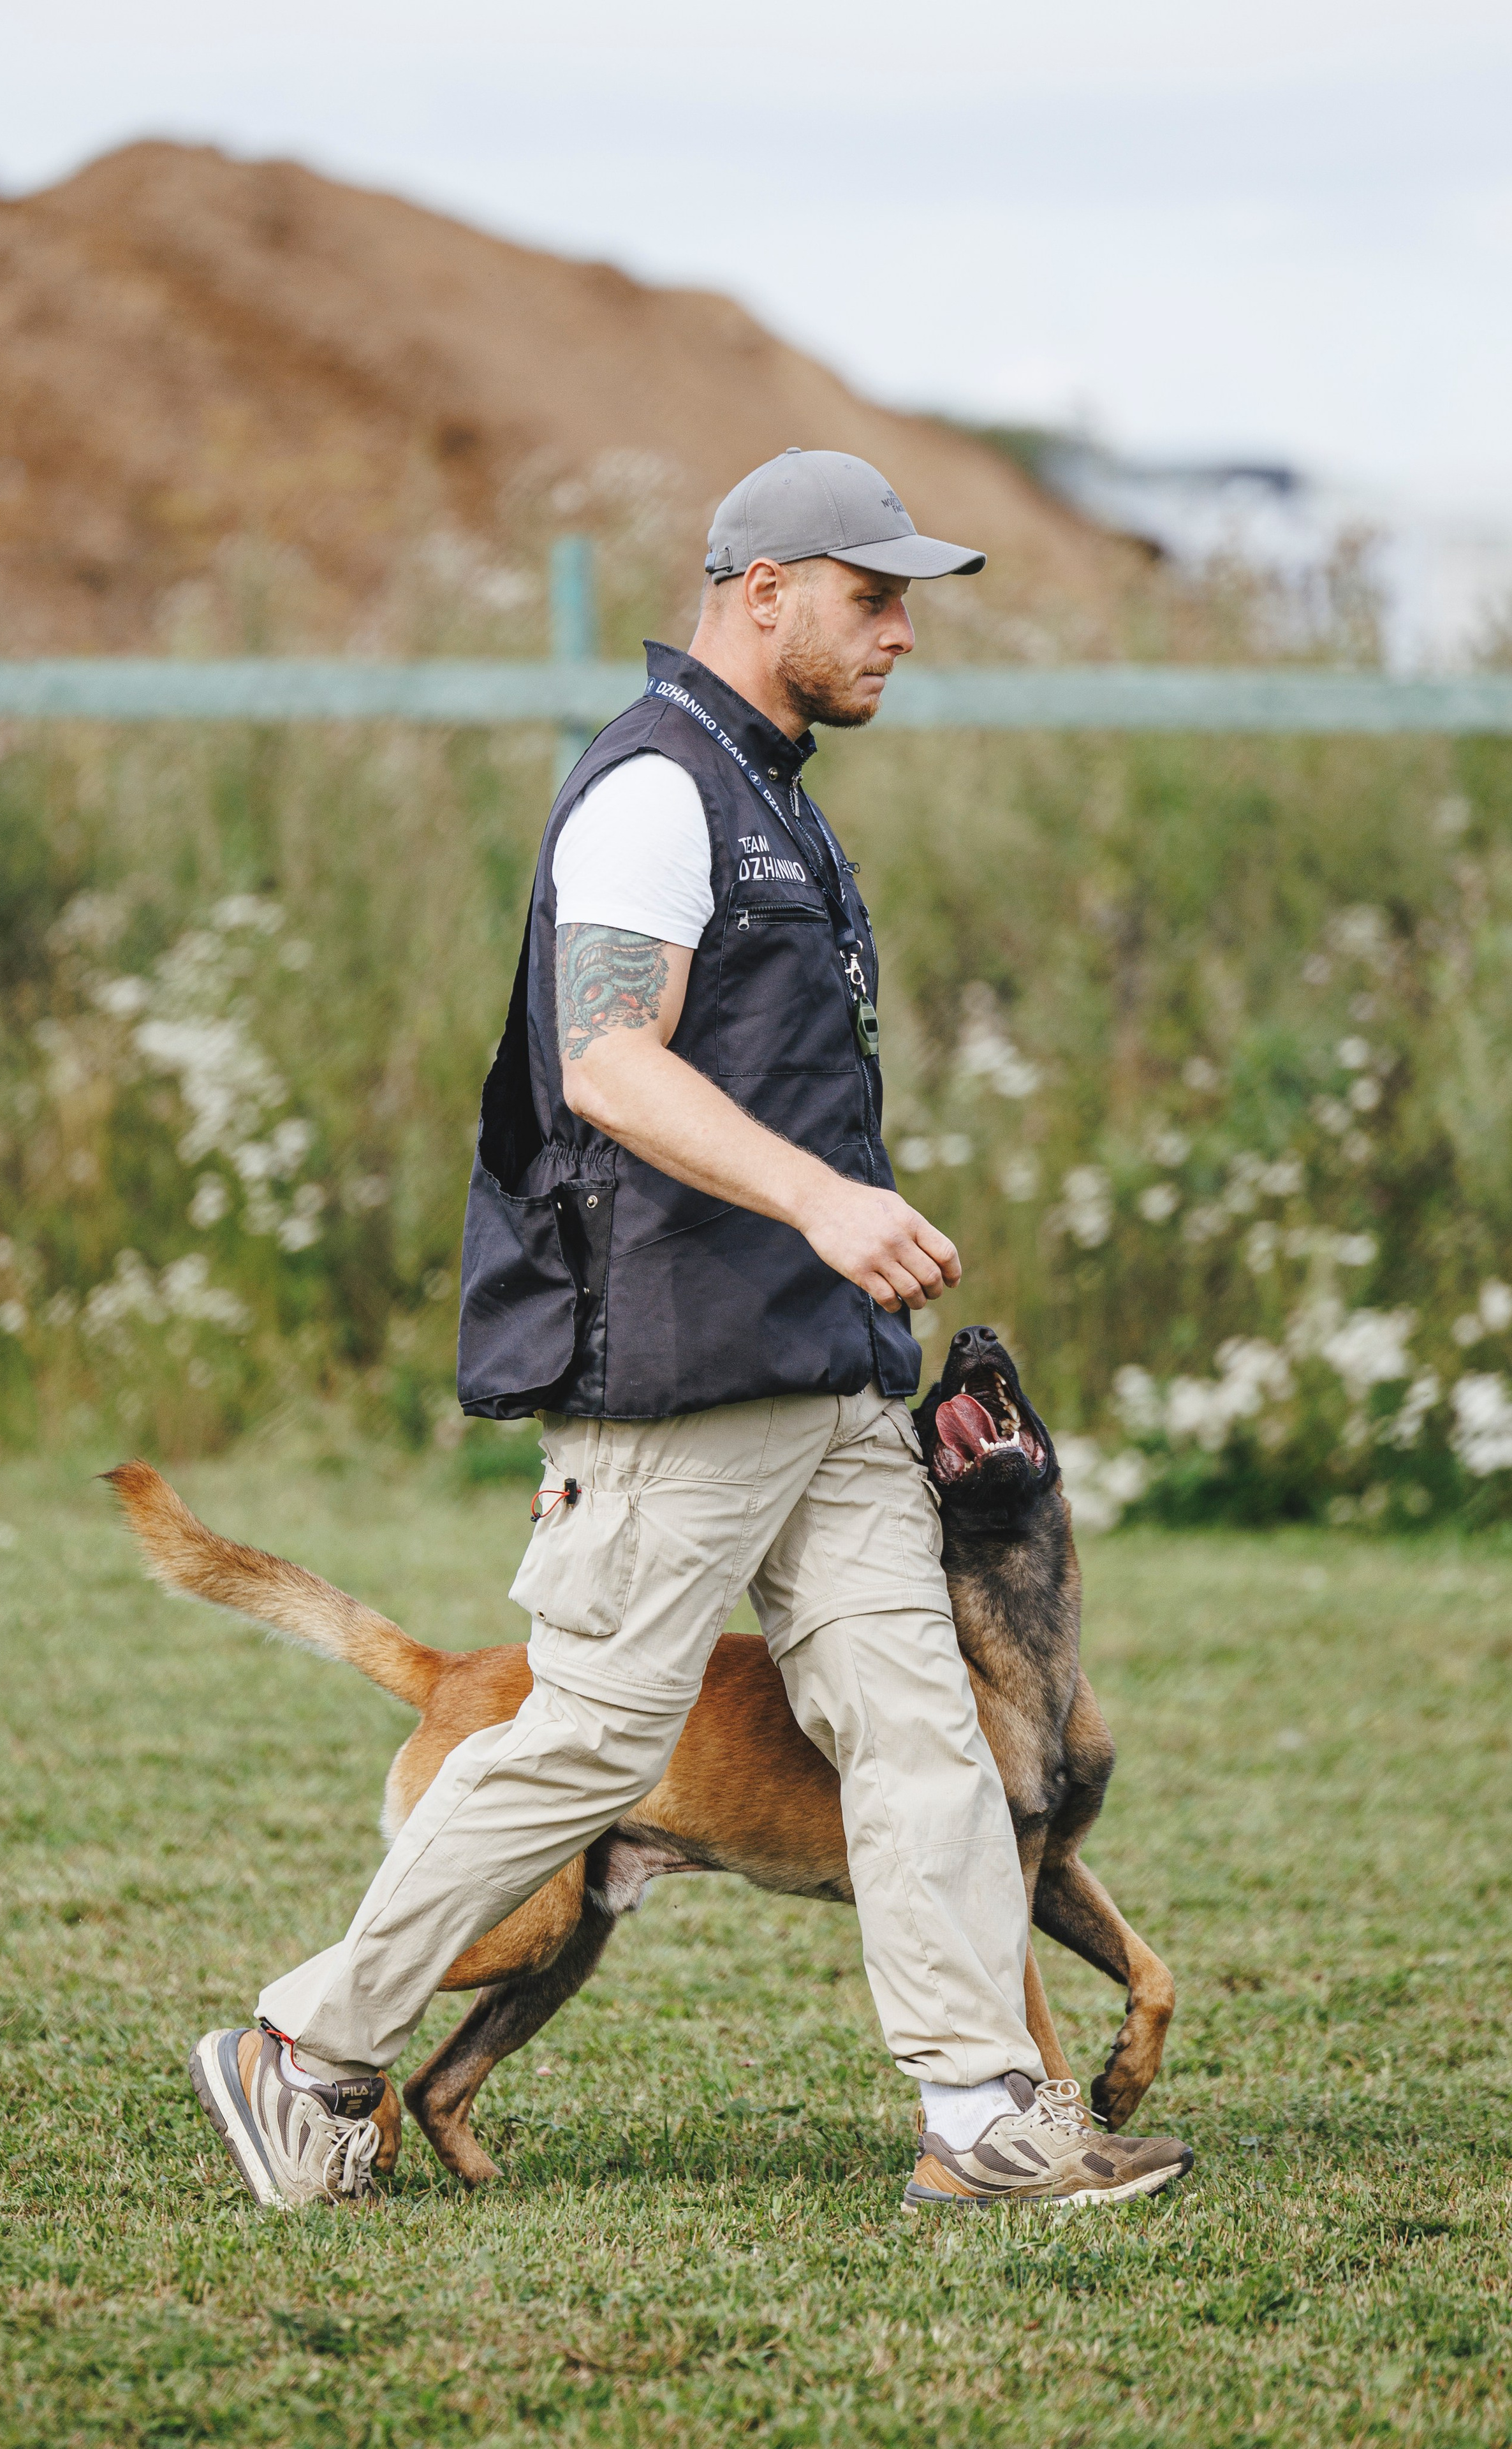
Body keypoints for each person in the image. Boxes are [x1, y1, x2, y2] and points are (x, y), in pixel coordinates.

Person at [190, 449, 1193, 2214]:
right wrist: (824, 1203)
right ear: (761, 590)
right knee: (589, 1735)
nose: (900, 633)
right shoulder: (654, 791)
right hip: (681, 1374)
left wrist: (839, 1254)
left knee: (925, 1734)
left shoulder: (774, 800)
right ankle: (308, 2042)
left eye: (906, 604)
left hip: (830, 1375)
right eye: (870, 598)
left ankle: (982, 2113)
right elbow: (607, 1062)